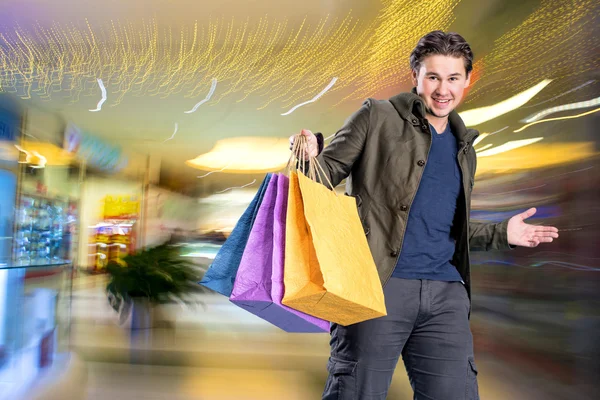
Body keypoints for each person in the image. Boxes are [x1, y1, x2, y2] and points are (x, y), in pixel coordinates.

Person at [289, 31, 559, 400]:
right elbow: (318, 180)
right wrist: (307, 156)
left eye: (453, 78)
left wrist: (502, 234)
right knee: (355, 393)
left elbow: (443, 226)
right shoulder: (377, 116)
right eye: (433, 77)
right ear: (416, 77)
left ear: (467, 80)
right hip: (377, 287)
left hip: (446, 295)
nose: (442, 89)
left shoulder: (465, 148)